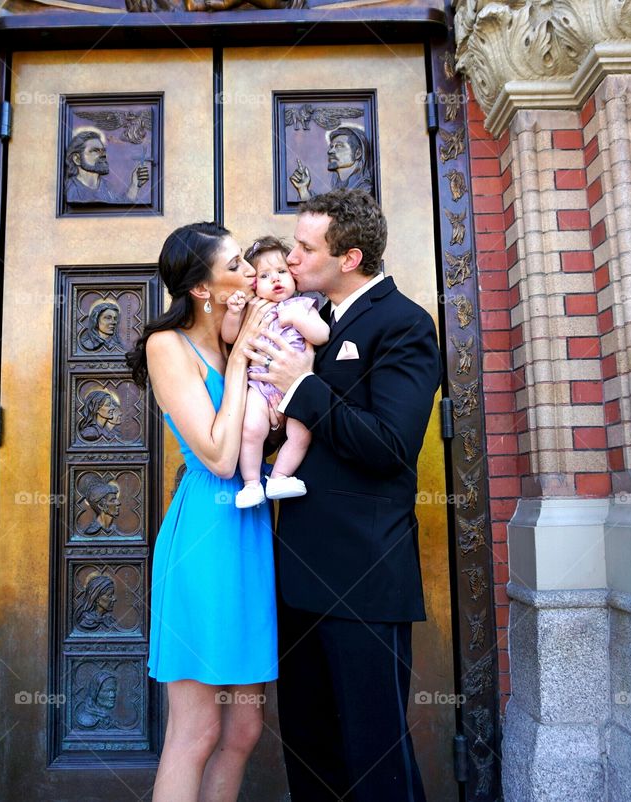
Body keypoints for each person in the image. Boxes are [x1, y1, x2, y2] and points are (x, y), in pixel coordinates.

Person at [246, 189, 440, 802]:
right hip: (296, 572)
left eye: (305, 248)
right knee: (309, 749)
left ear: (350, 256)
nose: (292, 257)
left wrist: (301, 389)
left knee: (373, 755)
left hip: (363, 577)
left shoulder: (403, 323)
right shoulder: (307, 315)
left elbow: (388, 447)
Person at [126, 222, 277, 802]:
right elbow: (215, 454)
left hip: (251, 529)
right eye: (237, 265)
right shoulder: (168, 347)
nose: (250, 273)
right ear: (202, 288)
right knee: (198, 729)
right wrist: (238, 360)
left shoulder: (242, 329)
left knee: (244, 728)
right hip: (204, 536)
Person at [221, 236, 330, 508]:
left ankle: (280, 476)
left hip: (294, 390)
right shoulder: (252, 309)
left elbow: (322, 334)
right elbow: (230, 336)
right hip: (259, 387)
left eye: (282, 272)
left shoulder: (302, 306)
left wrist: (297, 320)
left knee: (301, 433)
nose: (276, 279)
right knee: (251, 429)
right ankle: (251, 484)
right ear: (255, 284)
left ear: (292, 276)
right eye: (265, 275)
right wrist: (234, 313)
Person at [290, 126, 374, 202]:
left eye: (339, 146)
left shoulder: (363, 190)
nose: (330, 151)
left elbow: (338, 209)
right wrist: (303, 189)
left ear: (358, 153)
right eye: (331, 147)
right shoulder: (336, 189)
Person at [64, 131, 149, 204]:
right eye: (95, 151)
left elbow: (119, 208)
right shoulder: (71, 190)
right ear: (77, 159)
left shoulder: (107, 187)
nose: (103, 155)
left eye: (103, 150)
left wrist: (134, 185)